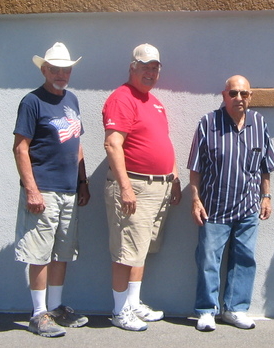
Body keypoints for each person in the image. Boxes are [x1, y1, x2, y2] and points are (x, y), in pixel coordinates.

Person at [188, 75, 274, 332]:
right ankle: (207, 310)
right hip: (214, 207)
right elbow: (195, 167)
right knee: (208, 259)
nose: (239, 98)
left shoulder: (259, 123)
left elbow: (265, 166)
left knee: (244, 259)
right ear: (224, 95)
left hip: (248, 207)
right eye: (234, 93)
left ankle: (235, 309)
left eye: (244, 93)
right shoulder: (208, 123)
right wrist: (195, 200)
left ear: (251, 96)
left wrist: (266, 196)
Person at [102, 43, 181, 331]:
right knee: (126, 252)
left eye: (155, 67)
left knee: (140, 249)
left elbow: (163, 141)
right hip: (134, 186)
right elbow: (113, 144)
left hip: (158, 188)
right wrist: (125, 188)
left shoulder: (154, 102)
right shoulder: (122, 99)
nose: (150, 72)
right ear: (132, 67)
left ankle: (133, 303)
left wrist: (174, 178)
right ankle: (119, 310)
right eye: (145, 67)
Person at [13, 42, 90, 337]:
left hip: (69, 190)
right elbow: (21, 148)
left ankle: (56, 308)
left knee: (62, 252)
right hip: (43, 189)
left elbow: (77, 145)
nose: (61, 74)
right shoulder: (32, 102)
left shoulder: (72, 100)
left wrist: (82, 182)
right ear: (44, 70)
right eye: (55, 69)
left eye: (66, 69)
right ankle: (38, 314)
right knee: (40, 253)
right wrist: (31, 190)